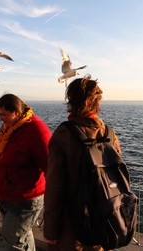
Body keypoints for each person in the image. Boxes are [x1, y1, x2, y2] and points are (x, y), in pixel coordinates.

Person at [43, 76, 122, 251]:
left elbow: (54, 186)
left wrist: (50, 230)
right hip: (105, 218)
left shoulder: (64, 133)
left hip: (71, 223)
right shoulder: (109, 133)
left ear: (71, 100)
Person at [0, 93, 52, 250]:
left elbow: (50, 165)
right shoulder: (10, 127)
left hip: (24, 199)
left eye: (3, 114)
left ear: (16, 112)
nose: (0, 118)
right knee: (21, 235)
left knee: (15, 238)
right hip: (7, 194)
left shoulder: (36, 129)